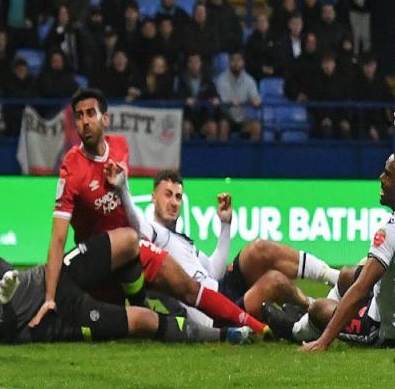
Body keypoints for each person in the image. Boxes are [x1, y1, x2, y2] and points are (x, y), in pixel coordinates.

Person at [41, 88, 268, 332]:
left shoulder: (120, 147)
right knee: (124, 325)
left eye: (90, 114)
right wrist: (50, 299)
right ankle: (147, 306)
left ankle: (257, 328)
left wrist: (123, 187)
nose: (84, 121)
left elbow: (124, 207)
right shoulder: (71, 168)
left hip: (134, 247)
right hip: (101, 260)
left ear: (104, 118)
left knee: (189, 287)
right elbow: (58, 238)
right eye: (79, 116)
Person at [0, 230, 254, 347]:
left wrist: (6, 281)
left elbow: (0, 265)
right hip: (58, 319)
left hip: (52, 278)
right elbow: (4, 327)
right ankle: (224, 335)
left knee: (126, 240)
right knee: (141, 322)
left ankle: (143, 295)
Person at [282, 151, 395, 352]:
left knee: (318, 309)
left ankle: (294, 328)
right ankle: (306, 315)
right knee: (346, 275)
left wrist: (323, 343)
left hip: (384, 331)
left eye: (388, 175)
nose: (381, 178)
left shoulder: (393, 230)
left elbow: (361, 291)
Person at [106, 167, 340, 322]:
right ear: (152, 198)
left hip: (221, 290)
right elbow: (136, 225)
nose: (174, 202)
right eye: (167, 195)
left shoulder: (182, 240)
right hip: (212, 312)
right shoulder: (152, 233)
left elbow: (215, 272)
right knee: (274, 280)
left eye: (178, 197)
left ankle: (335, 278)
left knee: (258, 249)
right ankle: (317, 310)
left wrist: (226, 225)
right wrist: (123, 188)